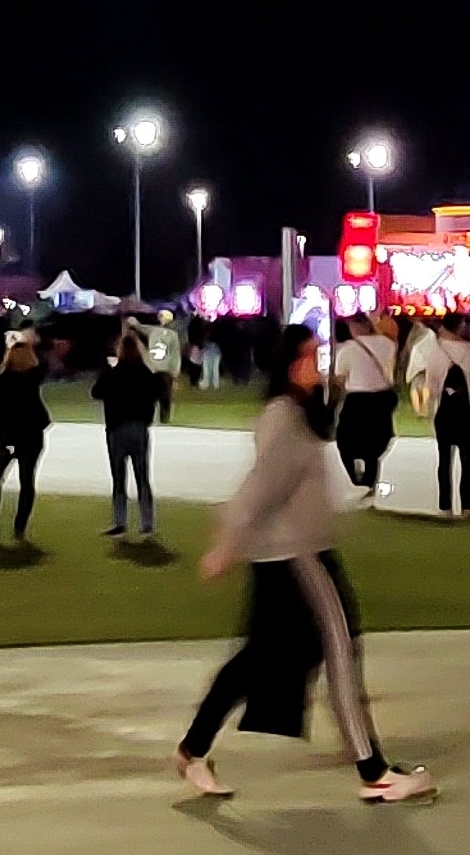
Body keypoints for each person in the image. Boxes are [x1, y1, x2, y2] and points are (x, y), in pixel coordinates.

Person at [174, 327, 435, 804]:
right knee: (341, 650)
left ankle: (193, 751)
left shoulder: (295, 414)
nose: (320, 364)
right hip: (298, 558)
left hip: (287, 554)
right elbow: (260, 488)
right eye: (311, 357)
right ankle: (373, 772)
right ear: (289, 364)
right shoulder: (284, 418)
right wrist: (226, 544)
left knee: (256, 660)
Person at [93, 317, 160, 538]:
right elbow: (156, 394)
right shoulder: (144, 374)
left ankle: (120, 522)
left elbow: (96, 392)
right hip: (139, 428)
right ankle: (147, 522)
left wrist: (106, 371)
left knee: (119, 479)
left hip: (116, 429)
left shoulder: (114, 373)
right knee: (142, 477)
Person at [0, 333, 49, 539]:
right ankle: (20, 527)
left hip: (9, 439)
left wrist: (3, 420)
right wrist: (31, 343)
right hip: (31, 439)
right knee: (27, 481)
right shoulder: (32, 378)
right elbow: (44, 364)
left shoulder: (1, 380)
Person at [333, 313, 398, 498]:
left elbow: (340, 377)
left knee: (345, 441)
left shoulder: (348, 349)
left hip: (357, 398)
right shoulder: (387, 345)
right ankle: (369, 481)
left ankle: (357, 480)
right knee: (374, 442)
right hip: (381, 399)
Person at [425, 314, 470, 517]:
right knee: (467, 460)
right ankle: (467, 507)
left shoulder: (435, 352)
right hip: (467, 411)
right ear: (461, 327)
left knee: (444, 460)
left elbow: (431, 385)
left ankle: (445, 506)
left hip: (444, 411)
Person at [143, 309, 182, 423]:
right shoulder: (153, 331)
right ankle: (149, 417)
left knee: (165, 396)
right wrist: (133, 323)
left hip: (165, 370)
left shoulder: (172, 335)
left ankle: (164, 418)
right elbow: (141, 327)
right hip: (153, 369)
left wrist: (175, 371)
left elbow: (175, 354)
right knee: (150, 396)